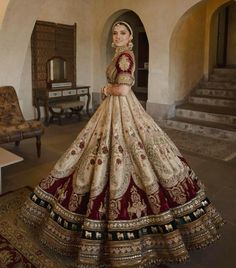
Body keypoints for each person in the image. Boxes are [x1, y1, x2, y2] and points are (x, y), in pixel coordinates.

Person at [21, 21, 224, 267]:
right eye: (115, 33)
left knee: (133, 155)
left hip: (121, 108)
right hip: (113, 110)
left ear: (129, 38)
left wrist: (106, 88)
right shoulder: (122, 54)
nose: (117, 36)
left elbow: (124, 89)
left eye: (122, 33)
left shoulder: (124, 56)